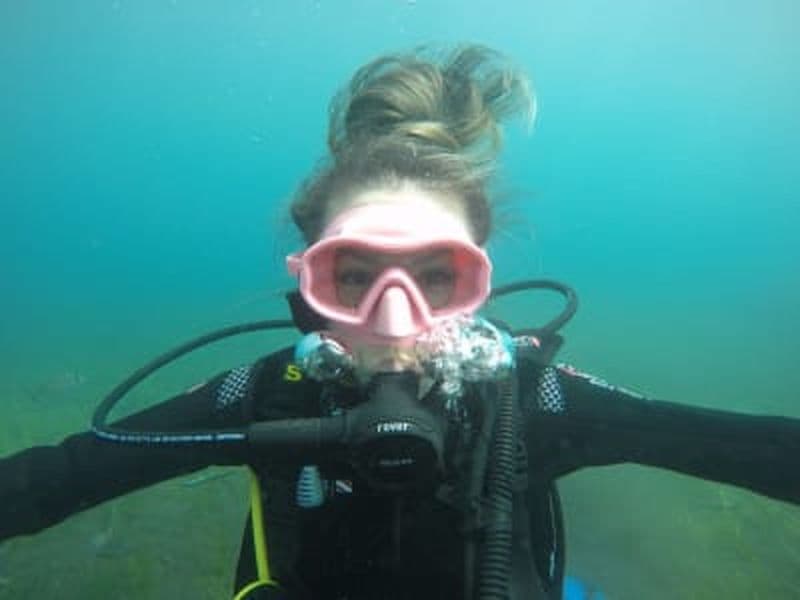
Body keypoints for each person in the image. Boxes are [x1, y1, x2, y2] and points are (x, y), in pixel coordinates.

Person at [1, 44, 799, 600]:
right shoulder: (270, 395)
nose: (392, 320)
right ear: (308, 282)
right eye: (352, 276)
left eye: (434, 277)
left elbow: (748, 447)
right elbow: (57, 477)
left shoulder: (533, 400)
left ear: (478, 281)